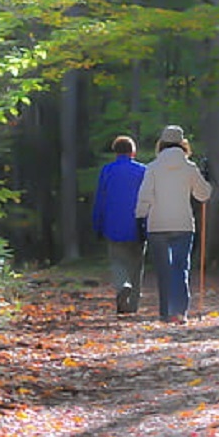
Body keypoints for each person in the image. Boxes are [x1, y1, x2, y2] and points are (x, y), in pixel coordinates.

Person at [135, 125, 213, 324]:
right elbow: (203, 195)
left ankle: (165, 312)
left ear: (161, 143)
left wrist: (140, 217)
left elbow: (145, 196)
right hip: (183, 225)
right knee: (180, 268)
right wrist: (206, 178)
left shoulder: (152, 167)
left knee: (164, 270)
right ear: (182, 143)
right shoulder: (189, 167)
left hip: (157, 225)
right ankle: (179, 312)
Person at [92, 135, 148, 315]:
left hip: (113, 225)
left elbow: (100, 200)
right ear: (133, 152)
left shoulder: (107, 171)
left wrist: (97, 225)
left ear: (115, 152)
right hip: (138, 225)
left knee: (118, 261)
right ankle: (133, 305)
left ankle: (123, 286)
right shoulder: (142, 171)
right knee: (137, 265)